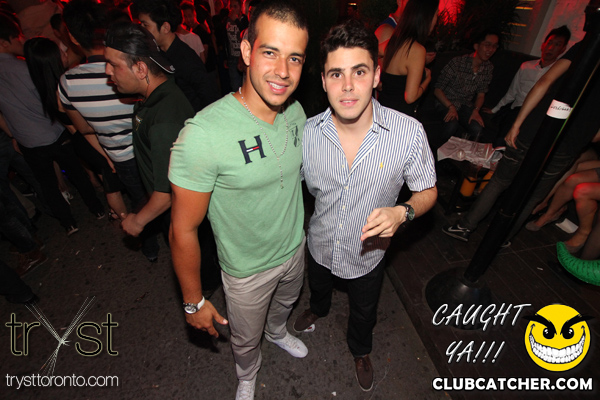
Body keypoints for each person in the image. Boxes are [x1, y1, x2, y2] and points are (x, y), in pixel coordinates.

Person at [168, 1, 309, 399]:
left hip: (294, 249)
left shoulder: (296, 112)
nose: (283, 71)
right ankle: (247, 373)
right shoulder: (203, 135)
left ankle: (277, 332)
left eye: (295, 58)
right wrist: (194, 302)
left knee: (284, 306)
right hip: (246, 271)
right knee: (245, 338)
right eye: (270, 52)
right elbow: (182, 229)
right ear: (247, 51)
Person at [294, 20, 437, 392]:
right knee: (318, 286)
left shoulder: (408, 133)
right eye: (336, 74)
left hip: (368, 254)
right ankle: (318, 308)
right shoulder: (308, 134)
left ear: (376, 75)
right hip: (320, 242)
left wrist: (402, 212)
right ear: (323, 81)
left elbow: (428, 191)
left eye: (358, 72)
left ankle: (360, 349)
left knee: (363, 310)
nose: (347, 86)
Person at [443, 0, 600, 245]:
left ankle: (465, 226)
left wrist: (518, 124)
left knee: (500, 181)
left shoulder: (585, 48)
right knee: (533, 194)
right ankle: (502, 238)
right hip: (568, 143)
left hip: (537, 127)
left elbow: (544, 82)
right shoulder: (564, 54)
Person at [0, 13, 105, 236]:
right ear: (3, 42)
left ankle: (68, 223)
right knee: (77, 173)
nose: (21, 40)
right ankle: (96, 208)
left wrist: (13, 134)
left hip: (27, 141)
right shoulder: (26, 69)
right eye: (16, 37)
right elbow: (49, 100)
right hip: (54, 132)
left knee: (46, 184)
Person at [104, 21, 194, 241]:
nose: (107, 71)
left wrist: (137, 221)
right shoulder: (157, 94)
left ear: (141, 69)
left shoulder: (164, 121)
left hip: (181, 218)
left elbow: (167, 193)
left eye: (113, 65)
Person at [24, 37, 128, 222]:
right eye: (62, 52)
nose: (66, 54)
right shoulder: (64, 87)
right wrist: (105, 154)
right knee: (112, 184)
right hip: (89, 141)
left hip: (81, 142)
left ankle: (118, 213)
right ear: (53, 59)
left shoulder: (49, 85)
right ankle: (123, 218)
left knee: (107, 178)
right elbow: (82, 130)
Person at [484, 26, 570, 143]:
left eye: (557, 45)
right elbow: (512, 92)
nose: (551, 48)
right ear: (543, 45)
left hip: (537, 114)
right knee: (503, 134)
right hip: (517, 109)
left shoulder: (559, 73)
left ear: (563, 49)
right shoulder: (526, 66)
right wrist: (494, 110)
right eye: (549, 43)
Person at [135, 0, 219, 112]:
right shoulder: (157, 53)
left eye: (146, 25)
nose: (142, 30)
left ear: (165, 27)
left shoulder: (185, 58)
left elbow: (208, 97)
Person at [433, 29, 499, 142]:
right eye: (487, 45)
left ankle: (461, 151)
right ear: (476, 46)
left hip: (465, 104)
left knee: (477, 129)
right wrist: (451, 107)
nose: (491, 49)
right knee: (451, 125)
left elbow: (481, 94)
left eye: (494, 46)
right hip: (446, 102)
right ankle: (435, 149)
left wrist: (476, 110)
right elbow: (437, 89)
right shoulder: (458, 62)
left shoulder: (488, 67)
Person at [379, 0, 438, 117]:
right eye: (436, 15)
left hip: (382, 112)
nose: (436, 20)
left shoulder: (395, 41)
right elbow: (410, 97)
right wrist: (427, 79)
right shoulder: (417, 50)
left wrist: (377, 80)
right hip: (400, 118)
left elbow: (370, 51)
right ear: (427, 18)